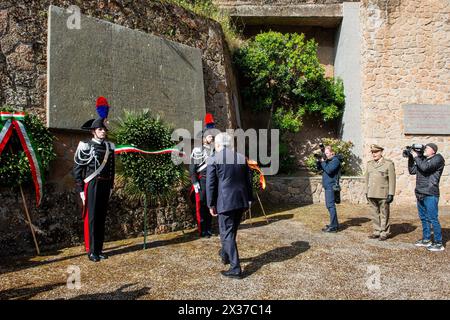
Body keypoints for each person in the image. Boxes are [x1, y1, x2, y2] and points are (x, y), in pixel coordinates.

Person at [73, 97, 115, 262]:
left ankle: (99, 248)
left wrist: (111, 185)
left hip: (105, 185)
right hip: (92, 184)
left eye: (104, 129)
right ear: (93, 131)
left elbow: (111, 168)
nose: (103, 131)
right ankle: (91, 251)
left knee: (101, 217)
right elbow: (77, 170)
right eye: (100, 129)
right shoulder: (85, 146)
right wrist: (80, 190)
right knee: (91, 217)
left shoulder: (109, 147)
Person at [206, 132, 253, 279]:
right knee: (230, 232)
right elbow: (248, 181)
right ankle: (225, 255)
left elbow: (211, 184)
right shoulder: (241, 157)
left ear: (218, 144)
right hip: (241, 201)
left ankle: (235, 268)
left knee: (226, 233)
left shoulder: (214, 158)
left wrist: (210, 204)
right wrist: (249, 199)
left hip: (225, 201)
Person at [408, 143, 445, 252]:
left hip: (430, 193)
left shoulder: (438, 159)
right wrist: (410, 158)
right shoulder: (423, 160)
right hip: (420, 193)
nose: (424, 149)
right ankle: (426, 239)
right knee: (423, 218)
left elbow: (425, 168)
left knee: (433, 218)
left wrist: (416, 157)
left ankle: (438, 243)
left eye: (427, 148)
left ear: (433, 150)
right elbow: (412, 171)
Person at [189, 113, 216, 238]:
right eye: (209, 136)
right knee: (202, 207)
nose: (211, 137)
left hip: (212, 181)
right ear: (204, 137)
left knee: (211, 204)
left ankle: (209, 228)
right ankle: (202, 230)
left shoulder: (215, 150)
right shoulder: (197, 150)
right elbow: (192, 169)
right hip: (202, 181)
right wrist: (195, 183)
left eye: (212, 136)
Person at [365, 144, 396, 241]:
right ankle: (377, 231)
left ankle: (384, 232)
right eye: (373, 152)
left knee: (384, 213)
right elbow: (367, 179)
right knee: (374, 213)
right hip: (372, 192)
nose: (374, 154)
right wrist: (366, 191)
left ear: (381, 152)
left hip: (383, 193)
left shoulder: (388, 164)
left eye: (376, 152)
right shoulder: (369, 164)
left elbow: (392, 180)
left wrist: (391, 193)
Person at [317, 145, 342, 233]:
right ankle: (334, 224)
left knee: (331, 206)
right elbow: (319, 169)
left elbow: (329, 170)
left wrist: (323, 162)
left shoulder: (336, 161)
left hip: (331, 186)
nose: (326, 155)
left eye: (327, 153)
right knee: (329, 206)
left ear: (332, 153)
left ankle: (334, 226)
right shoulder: (329, 160)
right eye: (325, 153)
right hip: (328, 186)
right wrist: (319, 161)